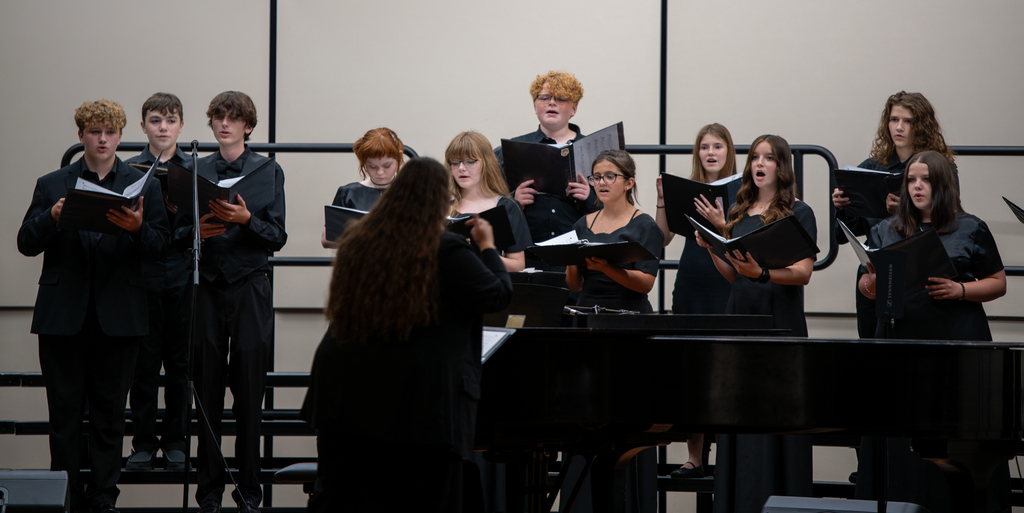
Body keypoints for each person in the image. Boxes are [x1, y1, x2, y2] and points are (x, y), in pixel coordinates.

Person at [301, 157, 513, 513]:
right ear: (437, 202)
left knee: (346, 496)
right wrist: (488, 246)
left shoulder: (357, 241)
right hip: (416, 401)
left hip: (343, 387)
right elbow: (496, 295)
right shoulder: (443, 248)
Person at [17, 99, 169, 513]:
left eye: (110, 132)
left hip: (118, 317)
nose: (102, 139)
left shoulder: (144, 185)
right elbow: (25, 243)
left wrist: (138, 229)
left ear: (121, 136)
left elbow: (160, 248)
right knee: (64, 416)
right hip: (63, 316)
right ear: (80, 134)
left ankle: (103, 498)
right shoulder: (52, 183)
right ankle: (65, 498)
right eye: (94, 131)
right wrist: (51, 216)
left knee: (108, 416)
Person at [855, 150, 1007, 512]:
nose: (917, 187)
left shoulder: (970, 227)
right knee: (900, 438)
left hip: (955, 343)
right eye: (911, 180)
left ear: (942, 185)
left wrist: (961, 290)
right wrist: (869, 286)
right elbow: (867, 283)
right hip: (900, 345)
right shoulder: (886, 228)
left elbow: (998, 282)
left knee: (952, 439)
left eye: (925, 180)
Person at [172, 91, 287, 513]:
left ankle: (250, 492)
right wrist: (194, 233)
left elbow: (277, 236)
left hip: (250, 288)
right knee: (206, 389)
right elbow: (175, 234)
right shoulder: (194, 168)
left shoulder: (267, 170)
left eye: (233, 118)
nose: (224, 124)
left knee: (249, 389)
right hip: (206, 287)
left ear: (248, 126)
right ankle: (208, 494)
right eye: (218, 117)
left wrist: (247, 220)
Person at [694, 135, 816, 513]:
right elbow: (736, 276)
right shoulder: (739, 209)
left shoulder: (799, 211)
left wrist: (763, 273)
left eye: (769, 158)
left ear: (783, 166)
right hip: (741, 317)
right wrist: (716, 247)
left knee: (775, 415)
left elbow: (802, 273)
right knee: (739, 414)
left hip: (779, 320)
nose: (759, 164)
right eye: (755, 158)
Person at [832, 91, 957, 338]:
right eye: (893, 120)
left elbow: (948, 219)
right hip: (874, 269)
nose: (898, 127)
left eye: (907, 121)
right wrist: (842, 207)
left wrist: (904, 211)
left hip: (917, 269)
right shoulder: (872, 166)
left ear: (921, 125)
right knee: (871, 342)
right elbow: (844, 234)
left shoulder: (939, 167)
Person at [654, 123, 738, 479]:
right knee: (692, 367)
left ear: (728, 151)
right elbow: (661, 238)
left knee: (726, 369)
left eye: (717, 146)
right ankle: (695, 456)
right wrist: (662, 200)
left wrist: (720, 224)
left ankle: (731, 454)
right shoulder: (687, 190)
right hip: (691, 283)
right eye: (704, 147)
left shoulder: (742, 191)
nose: (710, 152)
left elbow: (740, 243)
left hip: (726, 282)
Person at [124, 92, 192, 472]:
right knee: (144, 365)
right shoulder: (130, 169)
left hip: (183, 274)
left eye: (170, 120)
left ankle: (177, 441)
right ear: (143, 126)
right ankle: (144, 442)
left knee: (180, 364)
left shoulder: (198, 170)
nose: (163, 127)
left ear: (181, 125)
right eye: (155, 120)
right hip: (144, 275)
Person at [494, 70, 598, 268]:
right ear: (535, 106)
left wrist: (589, 198)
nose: (552, 102)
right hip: (528, 257)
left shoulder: (594, 151)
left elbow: (615, 211)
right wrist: (514, 201)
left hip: (578, 261)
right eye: (544, 98)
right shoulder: (511, 151)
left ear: (574, 108)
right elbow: (490, 207)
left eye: (561, 98)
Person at [567, 149, 664, 313]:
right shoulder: (581, 225)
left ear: (629, 183)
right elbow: (575, 286)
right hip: (587, 314)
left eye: (610, 177)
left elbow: (646, 284)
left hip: (629, 315)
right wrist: (568, 257)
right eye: (596, 177)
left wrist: (607, 268)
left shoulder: (645, 225)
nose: (601, 183)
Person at [447, 131, 532, 272]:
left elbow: (518, 265)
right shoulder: (441, 206)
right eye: (455, 163)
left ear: (485, 163)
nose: (461, 168)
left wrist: (482, 252)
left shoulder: (507, 206)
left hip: (487, 288)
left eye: (470, 161)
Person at [321, 127, 404, 248]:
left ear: (399, 157)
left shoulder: (412, 193)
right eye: (372, 166)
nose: (380, 172)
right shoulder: (349, 193)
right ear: (364, 162)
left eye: (387, 166)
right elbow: (326, 240)